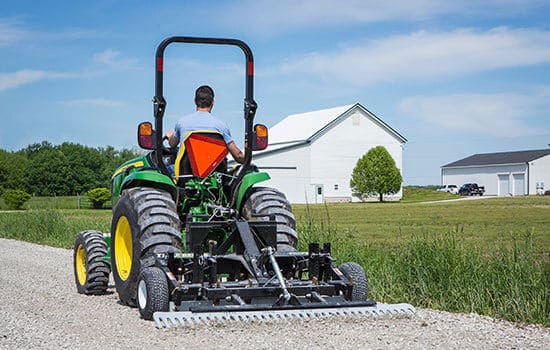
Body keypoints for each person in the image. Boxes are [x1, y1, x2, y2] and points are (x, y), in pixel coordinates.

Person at [166, 85, 245, 176]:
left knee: (165, 169)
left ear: (195, 101)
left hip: (185, 175)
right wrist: (247, 161)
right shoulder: (221, 126)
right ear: (213, 102)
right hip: (214, 177)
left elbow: (172, 144)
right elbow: (238, 155)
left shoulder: (182, 122)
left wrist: (169, 137)